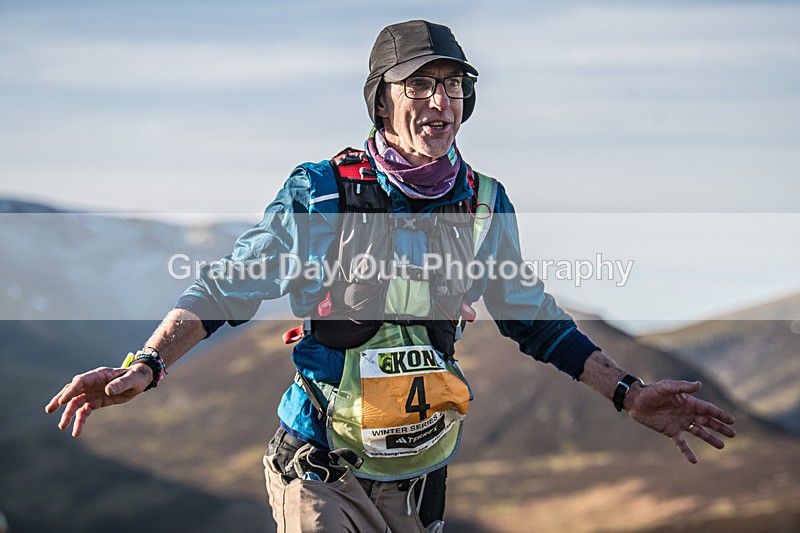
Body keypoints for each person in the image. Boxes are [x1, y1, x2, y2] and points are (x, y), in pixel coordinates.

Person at [45, 20, 736, 533]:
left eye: (455, 85)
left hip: (417, 486)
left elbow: (532, 319)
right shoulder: (321, 192)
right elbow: (231, 284)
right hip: (320, 474)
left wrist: (627, 390)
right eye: (423, 85)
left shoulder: (484, 202)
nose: (443, 101)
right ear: (382, 100)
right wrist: (148, 361)